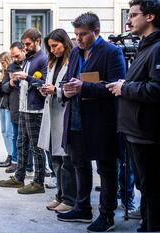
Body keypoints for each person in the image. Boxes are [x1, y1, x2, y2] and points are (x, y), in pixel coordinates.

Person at [56, 12, 126, 232]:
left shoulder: (112, 52)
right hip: (75, 119)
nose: (78, 38)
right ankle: (82, 207)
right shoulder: (76, 52)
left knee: (106, 169)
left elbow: (115, 87)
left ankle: (107, 216)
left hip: (101, 121)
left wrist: (82, 87)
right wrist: (65, 90)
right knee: (79, 165)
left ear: (96, 32)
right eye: (76, 34)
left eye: (83, 34)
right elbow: (69, 79)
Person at [107, 0, 160, 231]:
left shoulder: (157, 48)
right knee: (145, 187)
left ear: (150, 17)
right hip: (135, 131)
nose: (128, 21)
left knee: (152, 188)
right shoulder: (146, 46)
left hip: (147, 134)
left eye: (133, 15)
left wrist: (124, 87)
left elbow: (157, 89)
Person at [0, 28, 48, 195]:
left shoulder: (42, 59)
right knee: (21, 143)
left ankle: (38, 182)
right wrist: (15, 80)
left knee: (36, 147)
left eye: (28, 44)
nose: (25, 47)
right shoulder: (29, 59)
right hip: (23, 107)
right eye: (24, 44)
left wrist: (26, 78)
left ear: (38, 41)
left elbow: (44, 83)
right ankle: (19, 177)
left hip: (36, 109)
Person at [37, 28, 76, 213]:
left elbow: (71, 88)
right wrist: (45, 88)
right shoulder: (53, 62)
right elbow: (53, 85)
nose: (52, 50)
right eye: (50, 47)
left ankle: (69, 199)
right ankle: (60, 195)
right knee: (55, 160)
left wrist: (56, 91)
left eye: (55, 46)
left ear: (65, 43)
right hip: (51, 114)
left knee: (66, 161)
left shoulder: (73, 61)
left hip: (64, 114)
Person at [0, 42, 26, 173]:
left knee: (31, 140)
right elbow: (3, 87)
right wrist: (10, 83)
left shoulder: (30, 64)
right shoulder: (11, 67)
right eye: (13, 56)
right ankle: (15, 162)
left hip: (30, 106)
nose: (15, 59)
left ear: (24, 50)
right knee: (15, 136)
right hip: (15, 106)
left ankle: (29, 166)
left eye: (16, 55)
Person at [0, 51, 14, 171]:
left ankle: (12, 156)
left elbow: (7, 88)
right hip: (2, 104)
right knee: (4, 131)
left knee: (9, 132)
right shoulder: (4, 73)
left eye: (2, 62)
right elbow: (2, 88)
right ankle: (9, 154)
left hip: (9, 105)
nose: (1, 64)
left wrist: (2, 85)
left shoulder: (11, 71)